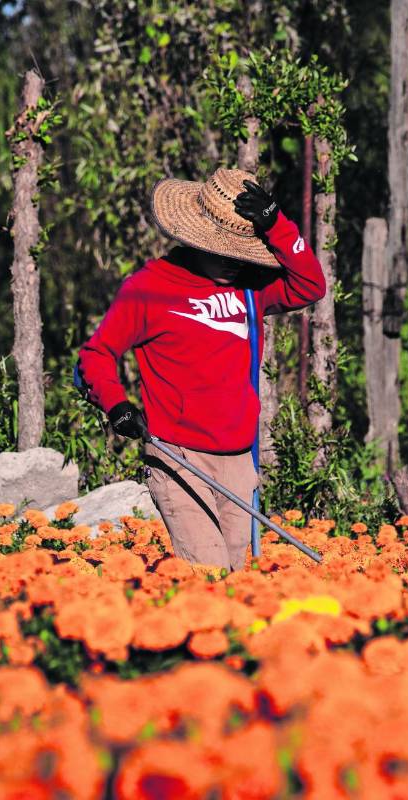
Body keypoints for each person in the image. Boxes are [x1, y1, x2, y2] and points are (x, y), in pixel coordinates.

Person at [75, 167, 325, 570]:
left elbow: (310, 285)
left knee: (234, 581)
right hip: (179, 458)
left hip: (239, 461)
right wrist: (116, 405)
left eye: (239, 252)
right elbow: (96, 354)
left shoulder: (251, 287)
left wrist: (277, 224)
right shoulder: (148, 288)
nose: (232, 262)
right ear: (196, 239)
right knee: (209, 576)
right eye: (222, 252)